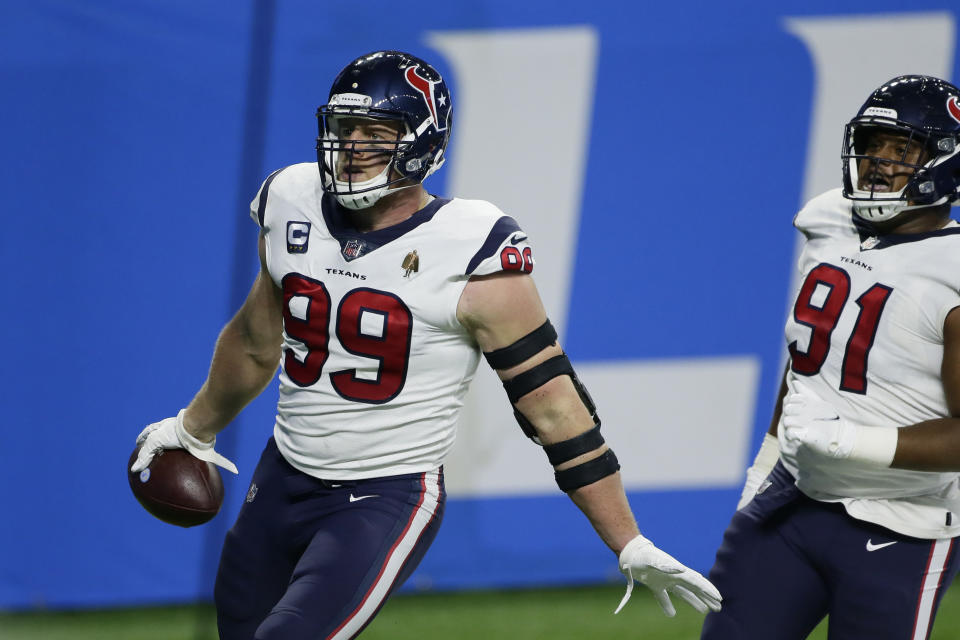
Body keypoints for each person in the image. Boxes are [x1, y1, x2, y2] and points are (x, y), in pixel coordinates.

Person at [130, 50, 721, 640]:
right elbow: (258, 342)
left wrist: (627, 539)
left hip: (386, 496)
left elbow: (554, 406)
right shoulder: (291, 199)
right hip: (282, 475)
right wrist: (193, 427)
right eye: (344, 128)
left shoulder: (473, 247)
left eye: (376, 132)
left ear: (420, 143)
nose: (353, 146)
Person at [700, 74, 960, 640]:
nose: (879, 162)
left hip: (902, 527)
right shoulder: (828, 221)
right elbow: (807, 363)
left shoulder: (953, 271)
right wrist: (765, 465)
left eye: (902, 149)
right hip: (793, 502)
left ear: (943, 162)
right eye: (870, 145)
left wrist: (852, 441)